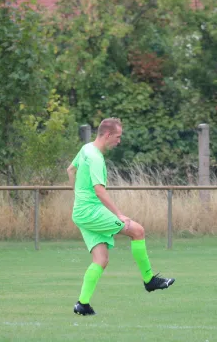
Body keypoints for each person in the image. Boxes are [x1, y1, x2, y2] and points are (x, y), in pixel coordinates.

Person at [67, 117, 175, 316]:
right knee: (138, 231)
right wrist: (119, 214)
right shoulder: (96, 157)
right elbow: (99, 190)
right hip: (91, 212)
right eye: (118, 137)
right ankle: (150, 280)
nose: (119, 141)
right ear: (107, 135)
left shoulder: (86, 149)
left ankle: (82, 304)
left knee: (100, 260)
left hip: (81, 212)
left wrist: (78, 196)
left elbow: (70, 170)